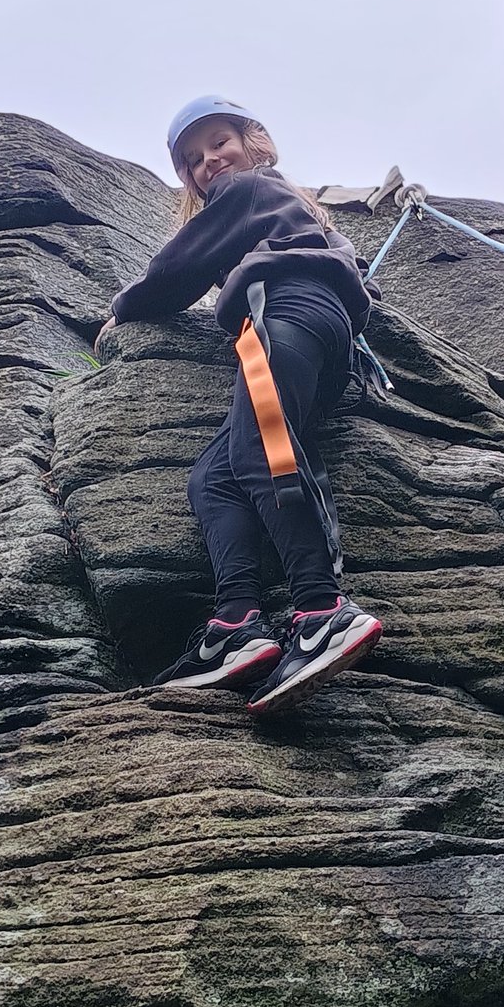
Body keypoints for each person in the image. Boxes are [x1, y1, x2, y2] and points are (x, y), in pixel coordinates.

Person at [95, 95, 382, 714]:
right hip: (314, 337)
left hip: (282, 317)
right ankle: (236, 625)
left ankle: (321, 611)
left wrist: (121, 310)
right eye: (193, 160)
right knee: (215, 477)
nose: (209, 163)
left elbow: (179, 268)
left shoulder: (248, 190)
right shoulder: (302, 215)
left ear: (254, 141)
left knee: (260, 451)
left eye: (219, 142)